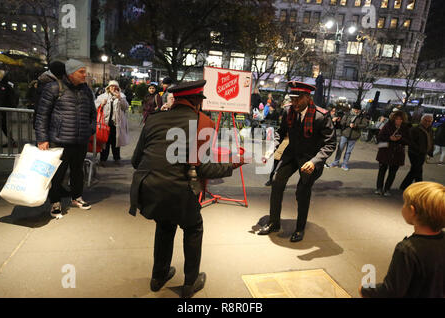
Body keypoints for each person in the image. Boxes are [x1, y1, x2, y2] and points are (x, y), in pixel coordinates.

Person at [129, 80, 246, 298]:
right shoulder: (203, 123)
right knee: (193, 228)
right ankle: (190, 283)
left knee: (164, 225)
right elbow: (205, 169)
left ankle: (158, 277)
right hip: (180, 191)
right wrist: (233, 164)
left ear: (176, 99)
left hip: (148, 189)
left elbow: (136, 161)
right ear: (195, 101)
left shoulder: (153, 119)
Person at [258, 81, 336, 242]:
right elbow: (281, 133)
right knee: (276, 181)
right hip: (292, 154)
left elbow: (330, 143)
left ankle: (300, 228)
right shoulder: (288, 111)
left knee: (302, 190)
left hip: (310, 158)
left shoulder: (321, 116)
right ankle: (274, 222)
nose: (294, 103)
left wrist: (315, 161)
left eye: (297, 100)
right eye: (292, 99)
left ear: (307, 97)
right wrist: (271, 149)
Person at [360, 181, 445, 298]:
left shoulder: (407, 250)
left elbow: (391, 291)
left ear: (412, 210)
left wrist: (366, 290)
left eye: (405, 203)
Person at [35, 59, 96, 219]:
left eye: (85, 71)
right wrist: (42, 138)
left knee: (78, 171)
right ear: (70, 73)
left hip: (80, 140)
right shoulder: (53, 88)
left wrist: (90, 129)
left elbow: (92, 113)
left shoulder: (86, 90)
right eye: (81, 72)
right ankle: (55, 202)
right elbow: (42, 115)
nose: (85, 75)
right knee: (57, 174)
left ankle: (77, 197)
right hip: (59, 140)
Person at [95, 80, 130, 167]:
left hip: (116, 124)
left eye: (115, 86)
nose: (113, 88)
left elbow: (126, 107)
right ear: (108, 88)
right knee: (105, 143)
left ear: (118, 88)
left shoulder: (122, 96)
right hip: (105, 124)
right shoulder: (102, 97)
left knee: (116, 143)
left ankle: (117, 158)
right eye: (111, 86)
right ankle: (103, 159)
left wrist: (120, 99)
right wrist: (101, 105)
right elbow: (95, 107)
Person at [375, 111, 410, 197]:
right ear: (393, 119)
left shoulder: (405, 128)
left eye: (400, 119)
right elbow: (379, 137)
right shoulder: (387, 126)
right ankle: (379, 188)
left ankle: (387, 189)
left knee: (392, 172)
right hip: (385, 151)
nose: (399, 120)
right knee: (382, 171)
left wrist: (400, 139)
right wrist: (389, 138)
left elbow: (408, 141)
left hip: (398, 153)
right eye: (397, 119)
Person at [327, 103, 369, 171]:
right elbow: (342, 122)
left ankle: (344, 164)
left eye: (358, 110)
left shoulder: (362, 116)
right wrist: (348, 124)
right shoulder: (347, 114)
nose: (356, 111)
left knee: (348, 151)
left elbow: (365, 125)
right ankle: (335, 163)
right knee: (340, 149)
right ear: (352, 109)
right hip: (345, 134)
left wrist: (356, 125)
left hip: (354, 136)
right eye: (355, 109)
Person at [399, 114, 434, 190]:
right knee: (417, 170)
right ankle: (419, 188)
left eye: (429, 121)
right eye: (425, 120)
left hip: (422, 153)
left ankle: (404, 186)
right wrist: (419, 149)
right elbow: (411, 141)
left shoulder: (430, 130)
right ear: (421, 120)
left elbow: (431, 141)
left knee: (415, 170)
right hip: (415, 153)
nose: (427, 122)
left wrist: (430, 152)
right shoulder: (415, 129)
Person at [0, 69, 18, 147]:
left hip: (1, 110)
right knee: (4, 126)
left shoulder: (2, 84)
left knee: (4, 125)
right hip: (1, 110)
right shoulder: (1, 83)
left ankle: (12, 142)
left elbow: (1, 98)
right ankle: (12, 141)